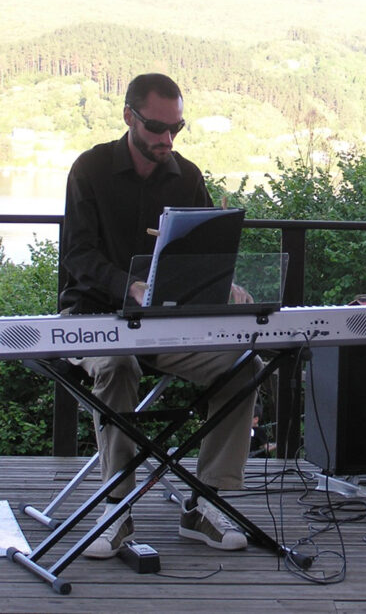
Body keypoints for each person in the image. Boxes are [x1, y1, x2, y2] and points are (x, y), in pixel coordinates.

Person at [60, 73, 261, 558]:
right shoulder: (89, 169)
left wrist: (222, 285)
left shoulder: (186, 176)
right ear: (129, 117)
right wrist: (127, 285)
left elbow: (206, 255)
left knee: (245, 366)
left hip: (162, 326)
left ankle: (207, 501)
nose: (168, 139)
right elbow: (78, 256)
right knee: (117, 366)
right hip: (93, 318)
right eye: (157, 128)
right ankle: (116, 507)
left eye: (177, 128)